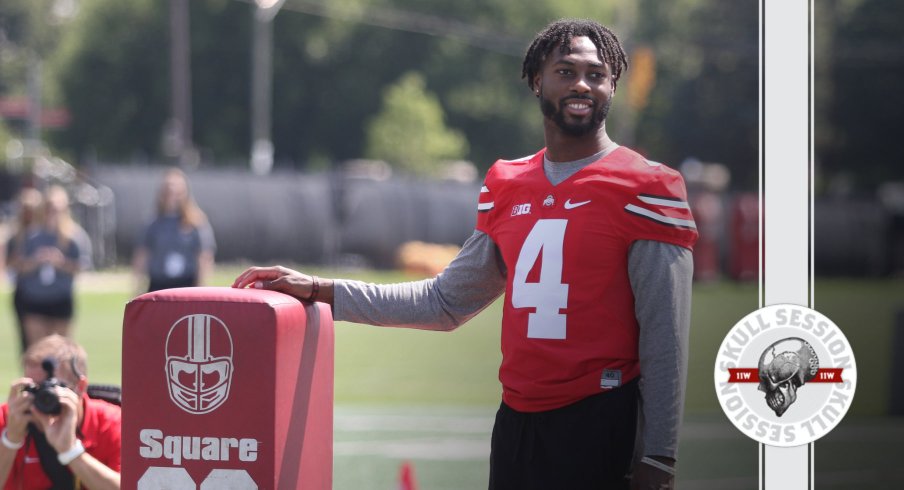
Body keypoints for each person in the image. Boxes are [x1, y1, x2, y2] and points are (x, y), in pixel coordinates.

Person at [234, 19, 697, 490]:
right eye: (566, 70)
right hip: (517, 422)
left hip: (601, 420)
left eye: (596, 74)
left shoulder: (647, 187)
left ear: (613, 85)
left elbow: (666, 337)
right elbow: (445, 301)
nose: (581, 84)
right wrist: (321, 290)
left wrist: (660, 455)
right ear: (537, 80)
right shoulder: (507, 182)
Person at [0, 334, 121, 489]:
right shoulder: (8, 418)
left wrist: (71, 452)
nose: (41, 398)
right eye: (33, 389)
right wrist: (10, 440)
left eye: (50, 389)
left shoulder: (111, 423)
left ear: (80, 386)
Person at [6, 186, 89, 348]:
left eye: (56, 209)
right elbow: (16, 266)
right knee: (37, 350)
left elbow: (81, 266)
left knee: (60, 350)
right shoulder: (31, 235)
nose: (52, 213)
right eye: (48, 208)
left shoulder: (74, 237)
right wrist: (36, 261)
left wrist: (60, 262)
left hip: (61, 298)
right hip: (34, 298)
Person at [132, 167, 216, 293]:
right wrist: (137, 287)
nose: (172, 196)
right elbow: (142, 254)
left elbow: (204, 256)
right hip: (158, 285)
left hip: (186, 285)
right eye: (168, 190)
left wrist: (201, 286)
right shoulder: (153, 223)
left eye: (177, 191)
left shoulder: (196, 221)